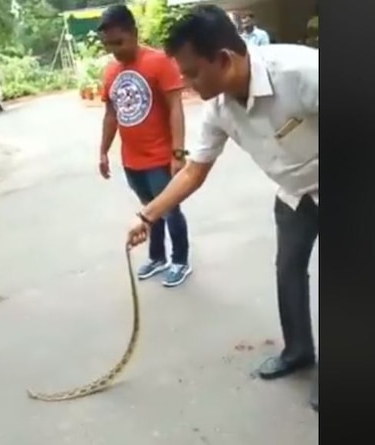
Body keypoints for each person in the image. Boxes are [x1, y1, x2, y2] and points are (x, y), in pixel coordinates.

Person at [125, 5, 319, 411]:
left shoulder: (301, 73)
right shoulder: (218, 109)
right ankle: (298, 350)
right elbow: (193, 172)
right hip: (293, 193)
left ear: (225, 60)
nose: (185, 81)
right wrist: (147, 214)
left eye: (192, 72)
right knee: (288, 271)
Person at [97, 5, 193, 287]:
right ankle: (157, 256)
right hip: (132, 160)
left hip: (160, 156)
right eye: (108, 44)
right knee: (148, 209)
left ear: (134, 33)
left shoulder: (160, 62)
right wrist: (103, 151)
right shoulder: (111, 71)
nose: (114, 50)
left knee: (169, 209)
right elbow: (111, 114)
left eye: (119, 42)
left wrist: (178, 153)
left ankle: (180, 260)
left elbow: (176, 108)